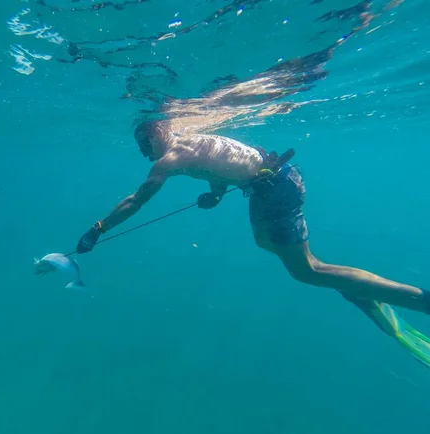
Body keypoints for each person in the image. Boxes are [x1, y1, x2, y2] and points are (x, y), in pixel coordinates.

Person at [76, 119, 430, 367]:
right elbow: (221, 168)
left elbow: (137, 200)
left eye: (143, 143)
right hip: (274, 183)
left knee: (307, 271)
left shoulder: (171, 159)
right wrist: (215, 194)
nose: (143, 152)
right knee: (267, 243)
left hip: (275, 188)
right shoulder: (194, 143)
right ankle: (352, 283)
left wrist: (99, 227)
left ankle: (409, 298)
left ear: (157, 130)